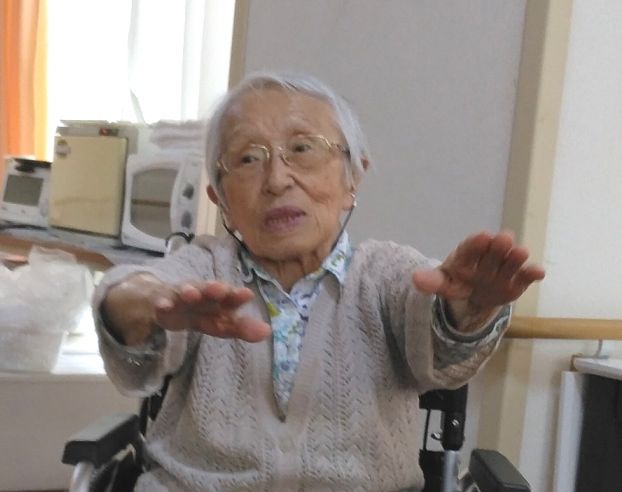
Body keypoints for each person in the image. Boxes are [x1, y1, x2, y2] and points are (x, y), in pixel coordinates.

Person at [93, 71, 545, 492]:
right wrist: (145, 301)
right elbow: (134, 290)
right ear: (221, 199)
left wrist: (471, 309)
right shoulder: (204, 269)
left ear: (353, 178)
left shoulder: (384, 273)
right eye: (248, 158)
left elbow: (436, 331)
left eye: (303, 149)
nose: (277, 179)